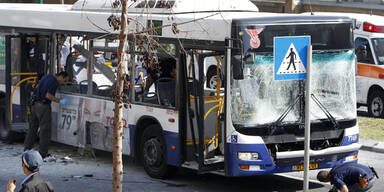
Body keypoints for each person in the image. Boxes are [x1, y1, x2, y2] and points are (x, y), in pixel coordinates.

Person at [24, 71, 69, 158]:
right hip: (43, 107)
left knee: (32, 129)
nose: (63, 83)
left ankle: (27, 149)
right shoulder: (54, 82)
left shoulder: (47, 76)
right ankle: (43, 153)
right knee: (45, 131)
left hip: (34, 105)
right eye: (64, 81)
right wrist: (60, 101)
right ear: (61, 77)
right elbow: (48, 95)